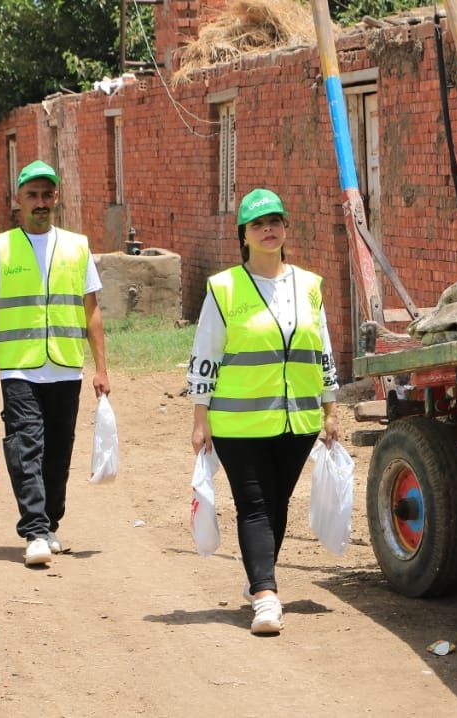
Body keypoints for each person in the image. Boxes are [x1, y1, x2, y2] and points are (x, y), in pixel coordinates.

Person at [187, 188, 340, 635]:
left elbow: (323, 350)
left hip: (298, 420)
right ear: (244, 235)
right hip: (238, 421)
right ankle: (266, 597)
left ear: (286, 229)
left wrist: (330, 409)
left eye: (275, 221)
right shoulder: (224, 287)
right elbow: (205, 354)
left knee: (276, 503)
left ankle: (258, 578)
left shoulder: (309, 286)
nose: (268, 229)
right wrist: (201, 418)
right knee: (252, 505)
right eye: (258, 224)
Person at [0, 160, 110, 566]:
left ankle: (50, 522)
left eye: (46, 195)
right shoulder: (0, 249)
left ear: (55, 198)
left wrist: (101, 367)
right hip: (19, 367)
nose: (40, 202)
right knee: (25, 445)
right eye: (32, 195)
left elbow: (92, 311)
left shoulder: (77, 247)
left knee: (57, 452)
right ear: (18, 200)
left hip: (66, 366)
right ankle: (33, 529)